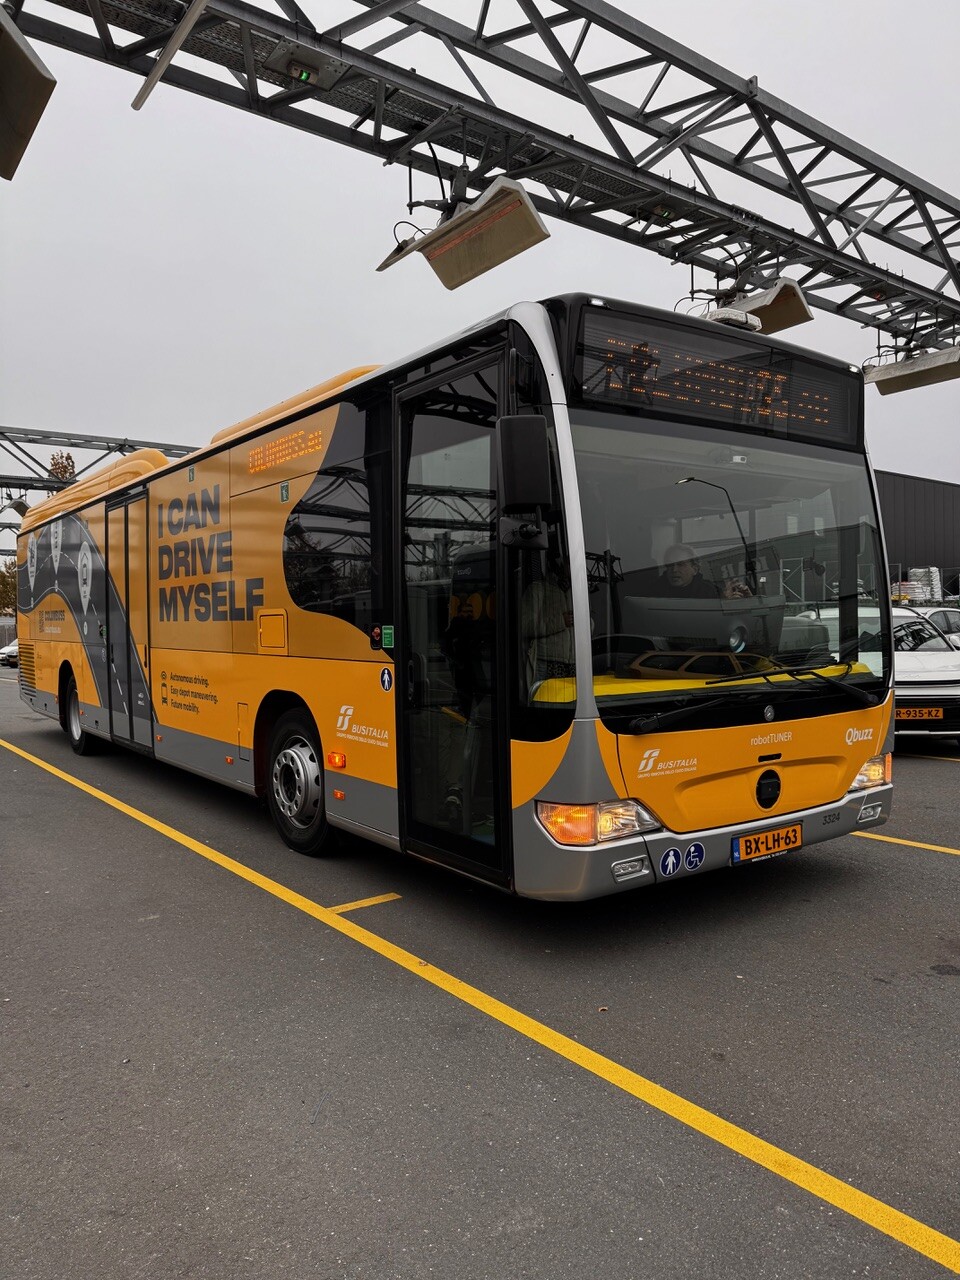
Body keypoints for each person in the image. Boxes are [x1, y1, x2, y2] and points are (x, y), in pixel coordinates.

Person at [522, 551, 575, 683]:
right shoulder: (538, 589)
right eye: (568, 561)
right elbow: (526, 626)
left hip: (575, 663)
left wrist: (585, 622)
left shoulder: (577, 590)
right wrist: (561, 621)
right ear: (559, 564)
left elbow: (591, 625)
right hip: (546, 662)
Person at [653, 543, 750, 600]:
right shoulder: (655, 591)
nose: (674, 570)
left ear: (694, 569)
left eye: (680, 565)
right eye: (670, 565)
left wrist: (729, 601)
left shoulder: (710, 591)